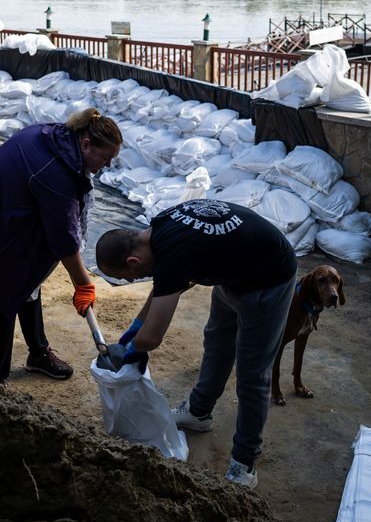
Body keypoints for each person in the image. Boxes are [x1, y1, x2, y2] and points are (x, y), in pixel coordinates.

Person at [95, 199, 297, 488]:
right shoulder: (159, 228)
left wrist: (133, 349)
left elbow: (152, 338)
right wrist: (135, 329)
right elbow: (170, 285)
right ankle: (199, 412)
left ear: (132, 261)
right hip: (233, 271)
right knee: (216, 342)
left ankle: (244, 463)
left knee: (252, 375)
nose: (134, 280)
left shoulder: (173, 253)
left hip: (268, 280)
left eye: (129, 277)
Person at [0, 108, 122, 386]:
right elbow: (64, 239)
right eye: (105, 158)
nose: (106, 165)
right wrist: (84, 285)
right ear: (86, 145)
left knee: (28, 279)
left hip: (4, 212)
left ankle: (37, 353)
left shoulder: (55, 137)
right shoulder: (56, 173)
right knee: (3, 298)